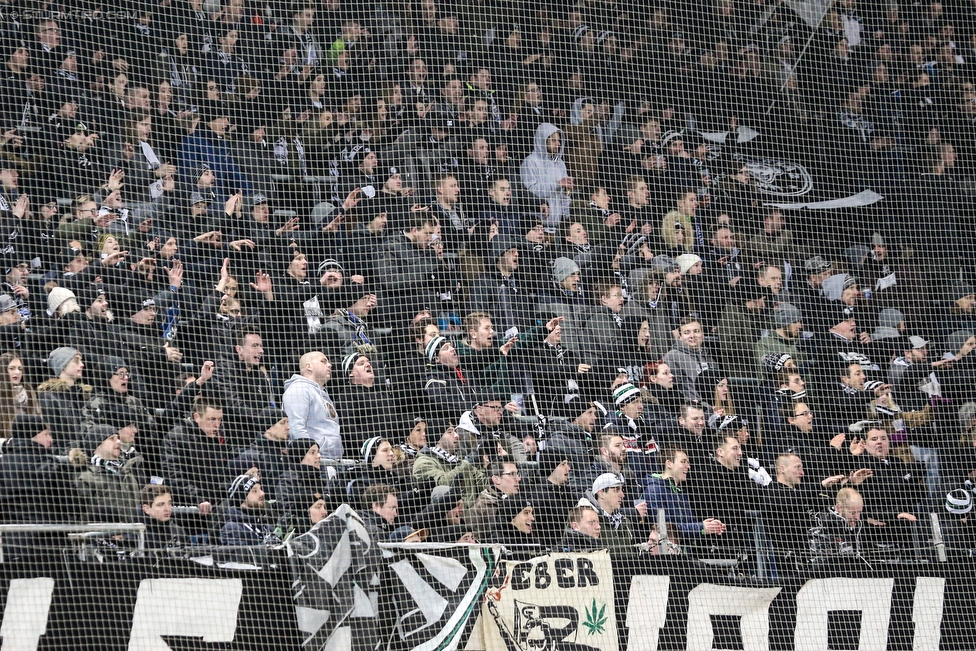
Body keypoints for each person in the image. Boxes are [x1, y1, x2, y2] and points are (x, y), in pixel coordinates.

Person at [644, 447, 726, 545]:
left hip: (684, 553)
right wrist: (701, 527)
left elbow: (690, 524)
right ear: (669, 464)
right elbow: (662, 529)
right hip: (665, 553)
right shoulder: (654, 490)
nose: (688, 466)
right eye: (683, 462)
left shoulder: (681, 492)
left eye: (687, 462)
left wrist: (710, 526)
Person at [282, 351, 341, 460]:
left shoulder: (322, 393)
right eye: (324, 361)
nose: (330, 365)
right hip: (314, 462)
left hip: (331, 461)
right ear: (309, 367)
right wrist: (309, 456)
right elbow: (295, 427)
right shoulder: (299, 389)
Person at [468, 459, 520, 541]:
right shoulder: (479, 509)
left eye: (517, 474)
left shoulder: (521, 503)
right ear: (496, 479)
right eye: (512, 474)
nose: (518, 479)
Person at [219, 475, 278, 546]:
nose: (262, 493)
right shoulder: (232, 529)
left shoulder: (266, 526)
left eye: (261, 489)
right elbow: (242, 556)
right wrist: (268, 544)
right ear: (242, 498)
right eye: (255, 491)